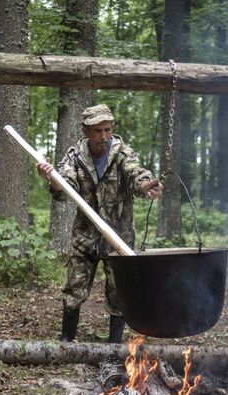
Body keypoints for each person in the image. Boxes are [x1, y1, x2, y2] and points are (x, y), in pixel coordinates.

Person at [36, 104, 163, 343]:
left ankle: (113, 348)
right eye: (97, 131)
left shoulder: (123, 154)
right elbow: (65, 190)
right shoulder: (75, 157)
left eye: (107, 129)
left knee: (119, 295)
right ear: (85, 131)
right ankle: (66, 343)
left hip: (118, 240)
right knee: (74, 290)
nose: (103, 136)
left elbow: (135, 173)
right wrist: (51, 180)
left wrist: (146, 185)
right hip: (85, 238)